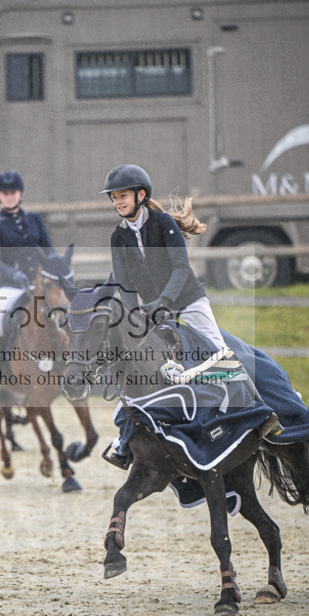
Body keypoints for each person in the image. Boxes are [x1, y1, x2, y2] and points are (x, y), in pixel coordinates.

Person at [100, 163, 224, 468]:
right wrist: (134, 317)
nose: (118, 202)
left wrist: (164, 302)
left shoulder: (164, 223)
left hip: (187, 300)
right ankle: (124, 438)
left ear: (141, 195)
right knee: (134, 361)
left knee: (221, 355)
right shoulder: (118, 237)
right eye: (114, 197)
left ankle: (254, 411)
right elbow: (125, 284)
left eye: (123, 196)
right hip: (151, 310)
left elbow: (182, 268)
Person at [0, 170, 55, 395]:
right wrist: (16, 275)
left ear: (20, 193)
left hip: (39, 282)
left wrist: (55, 268)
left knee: (63, 310)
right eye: (5, 193)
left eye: (13, 192)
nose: (9, 196)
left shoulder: (35, 219)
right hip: (11, 285)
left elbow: (48, 250)